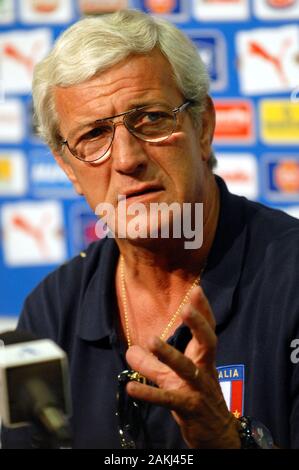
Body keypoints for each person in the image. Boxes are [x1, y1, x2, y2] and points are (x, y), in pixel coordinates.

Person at [2, 9, 299, 449]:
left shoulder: (291, 277)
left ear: (204, 127)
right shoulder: (52, 309)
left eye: (151, 118)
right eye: (94, 135)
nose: (126, 159)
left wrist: (224, 440)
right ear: (67, 167)